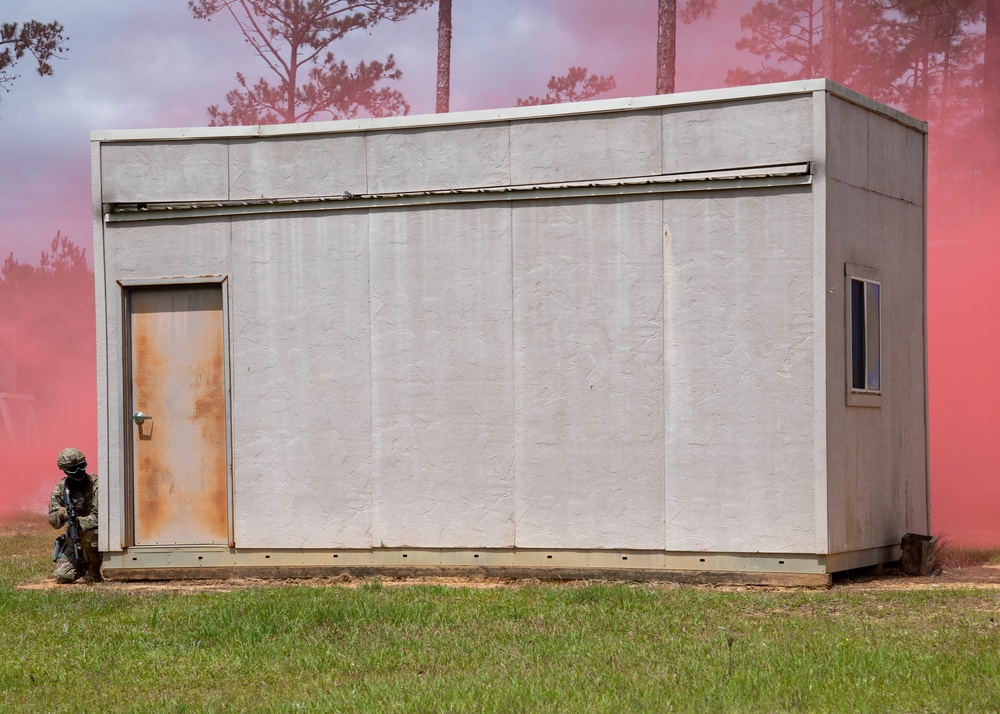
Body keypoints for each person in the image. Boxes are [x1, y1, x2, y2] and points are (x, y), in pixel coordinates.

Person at [48, 447, 101, 583]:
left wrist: (79, 522)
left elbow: (100, 517)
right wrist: (61, 514)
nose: (78, 472)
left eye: (81, 466)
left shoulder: (96, 484)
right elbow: (52, 520)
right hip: (73, 539)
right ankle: (81, 567)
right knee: (62, 576)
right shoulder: (61, 489)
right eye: (73, 469)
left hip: (95, 538)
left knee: (89, 533)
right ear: (65, 471)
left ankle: (94, 570)